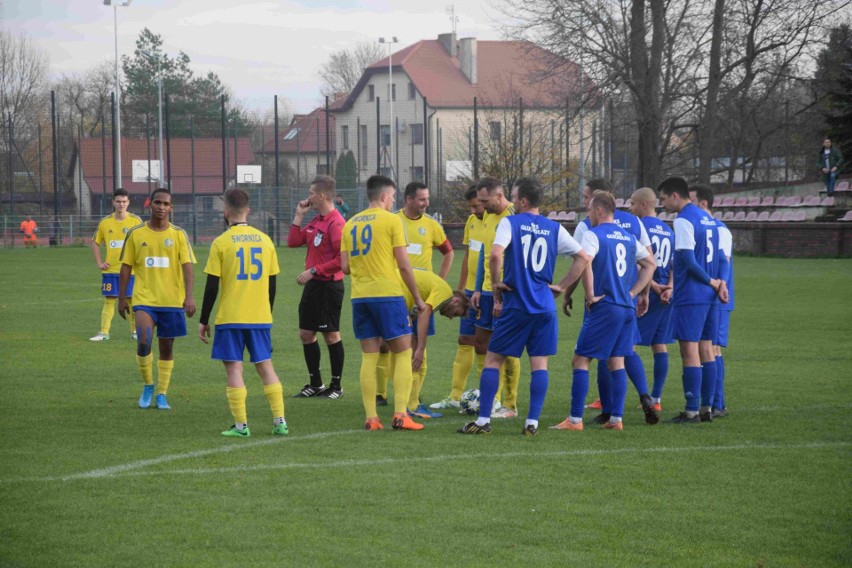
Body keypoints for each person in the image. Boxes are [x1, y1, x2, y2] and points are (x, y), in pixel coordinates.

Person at [460, 178, 590, 435]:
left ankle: (484, 421)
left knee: (493, 361)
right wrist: (561, 286)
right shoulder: (554, 228)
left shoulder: (511, 222)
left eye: (515, 196)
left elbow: (496, 254)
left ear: (523, 201)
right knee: (539, 365)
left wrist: (496, 284)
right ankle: (532, 422)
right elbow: (583, 258)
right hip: (544, 307)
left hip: (517, 304)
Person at [552, 191, 655, 431]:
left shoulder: (593, 234)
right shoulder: (629, 237)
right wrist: (634, 292)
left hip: (605, 306)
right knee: (616, 361)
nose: (588, 214)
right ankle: (616, 420)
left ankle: (575, 420)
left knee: (580, 360)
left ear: (599, 210)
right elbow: (651, 264)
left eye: (589, 210)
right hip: (626, 308)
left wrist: (585, 294)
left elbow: (584, 260)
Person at [340, 175, 427, 431]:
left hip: (360, 296)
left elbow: (345, 267)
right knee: (403, 352)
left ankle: (371, 418)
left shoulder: (350, 223)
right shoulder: (392, 221)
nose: (392, 202)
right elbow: (403, 264)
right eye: (391, 197)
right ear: (383, 196)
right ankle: (401, 414)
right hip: (387, 294)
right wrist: (419, 298)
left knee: (369, 356)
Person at [199, 188, 287, 438]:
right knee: (266, 367)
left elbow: (212, 286)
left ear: (225, 212)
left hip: (231, 317)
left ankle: (241, 427)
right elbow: (272, 285)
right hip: (259, 317)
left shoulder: (221, 243)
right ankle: (280, 422)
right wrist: (265, 313)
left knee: (234, 370)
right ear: (248, 210)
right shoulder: (265, 240)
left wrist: (204, 320)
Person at [657, 176, 728, 423]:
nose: (663, 205)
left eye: (664, 199)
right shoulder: (709, 219)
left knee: (689, 352)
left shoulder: (685, 219)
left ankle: (691, 411)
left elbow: (687, 259)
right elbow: (722, 258)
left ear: (675, 196)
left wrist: (710, 282)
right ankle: (707, 409)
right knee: (707, 349)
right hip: (710, 297)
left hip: (692, 295)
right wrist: (721, 283)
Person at [118, 188, 196, 410]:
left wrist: (189, 296)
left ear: (171, 208)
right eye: (157, 203)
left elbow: (188, 267)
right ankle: (148, 385)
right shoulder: (136, 233)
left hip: (171, 301)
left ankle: (162, 393)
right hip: (144, 300)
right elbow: (126, 267)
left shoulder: (178, 234)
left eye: (166, 204)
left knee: (167, 348)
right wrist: (122, 298)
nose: (161, 207)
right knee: (143, 341)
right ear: (149, 204)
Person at [391, 181, 454, 419]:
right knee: (393, 347)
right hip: (397, 293)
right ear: (408, 199)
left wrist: (439, 281)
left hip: (422, 298)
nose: (426, 203)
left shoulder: (432, 226)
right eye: (421, 199)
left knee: (417, 349)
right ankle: (398, 398)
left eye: (427, 199)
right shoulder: (394, 221)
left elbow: (448, 252)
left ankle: (411, 401)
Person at [287, 175, 346, 399]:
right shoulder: (316, 220)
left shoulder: (336, 222)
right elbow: (293, 241)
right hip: (313, 287)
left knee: (331, 335)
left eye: (311, 193)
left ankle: (336, 386)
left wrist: (314, 270)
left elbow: (342, 260)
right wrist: (299, 215)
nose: (308, 196)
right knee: (305, 333)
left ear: (322, 195)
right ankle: (316, 383)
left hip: (329, 287)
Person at [430, 186, 486, 410]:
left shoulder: (498, 222)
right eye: (471, 206)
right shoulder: (472, 221)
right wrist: (461, 288)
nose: (474, 210)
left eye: (477, 205)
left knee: (485, 346)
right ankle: (455, 396)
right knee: (464, 341)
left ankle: (495, 399)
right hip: (470, 291)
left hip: (488, 292)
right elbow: (467, 257)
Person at [471, 177, 522, 419]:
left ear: (499, 196)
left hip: (506, 291)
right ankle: (492, 398)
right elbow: (484, 253)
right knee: (483, 344)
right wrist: (478, 288)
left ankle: (510, 405)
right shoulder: (489, 217)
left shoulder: (513, 216)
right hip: (488, 290)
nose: (481, 206)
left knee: (508, 348)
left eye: (484, 200)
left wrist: (503, 295)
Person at [689, 184, 734, 418]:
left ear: (703, 203)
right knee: (707, 347)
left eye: (691, 199)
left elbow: (723, 260)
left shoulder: (720, 229)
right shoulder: (704, 227)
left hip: (717, 296)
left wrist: (720, 286)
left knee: (712, 347)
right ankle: (714, 403)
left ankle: (717, 403)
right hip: (709, 294)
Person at [629, 187, 674, 412]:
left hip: (647, 290)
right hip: (666, 293)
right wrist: (670, 287)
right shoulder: (669, 230)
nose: (630, 208)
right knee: (660, 345)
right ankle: (656, 398)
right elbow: (674, 263)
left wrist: (652, 287)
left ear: (644, 205)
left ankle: (643, 395)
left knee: (627, 343)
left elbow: (639, 261)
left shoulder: (640, 226)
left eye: (633, 204)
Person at [89, 189, 143, 342]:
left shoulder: (135, 221)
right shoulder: (105, 222)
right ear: (113, 202)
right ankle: (104, 333)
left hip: (131, 270)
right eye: (118, 201)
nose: (121, 204)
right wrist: (99, 262)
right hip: (111, 270)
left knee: (132, 300)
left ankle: (135, 332)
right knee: (109, 300)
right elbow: (95, 242)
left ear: (128, 202)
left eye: (124, 201)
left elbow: (143, 242)